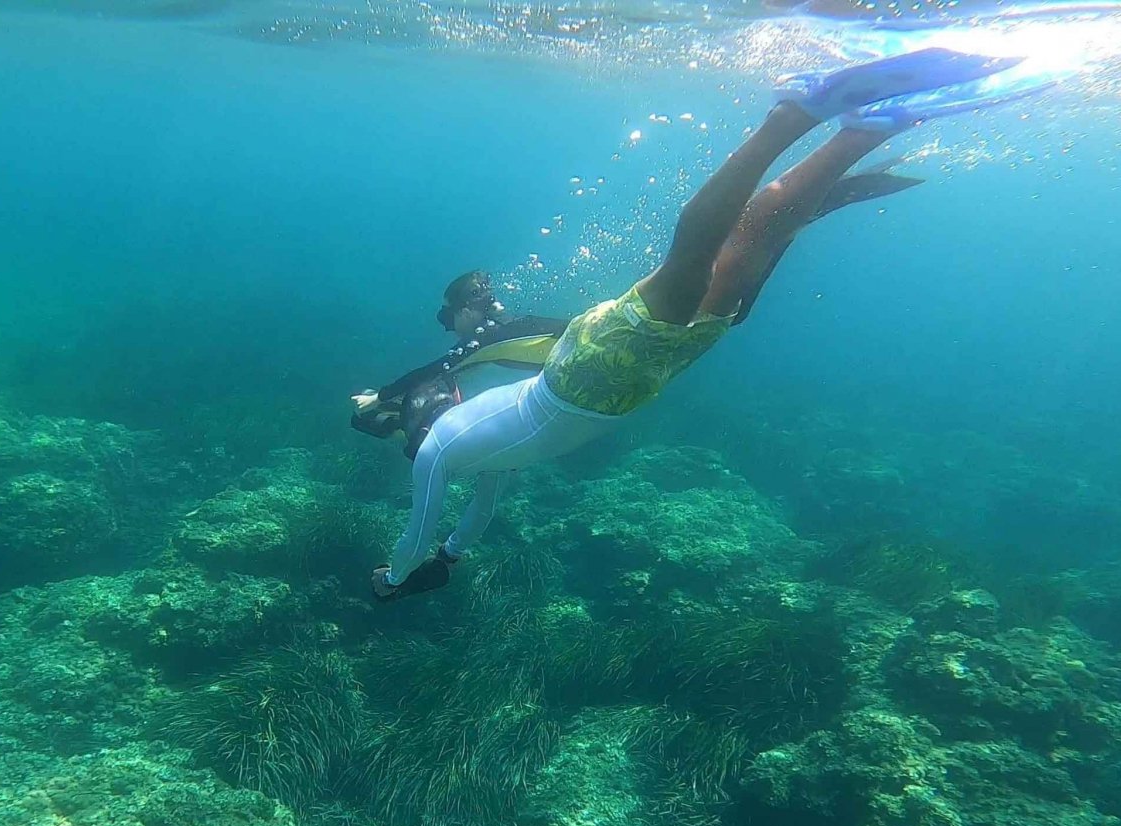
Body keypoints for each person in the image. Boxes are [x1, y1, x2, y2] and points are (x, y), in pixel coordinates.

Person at [370, 47, 1037, 601]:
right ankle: (841, 124)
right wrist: (439, 558)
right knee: (727, 243)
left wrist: (401, 575)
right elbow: (459, 517)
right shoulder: (473, 449)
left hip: (608, 378)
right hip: (611, 376)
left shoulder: (446, 452)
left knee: (714, 253)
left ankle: (825, 122)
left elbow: (426, 526)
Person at [351, 272, 568, 460]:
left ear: (465, 313)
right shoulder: (505, 326)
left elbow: (432, 371)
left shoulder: (484, 338)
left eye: (447, 318)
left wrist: (379, 397)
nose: (448, 328)